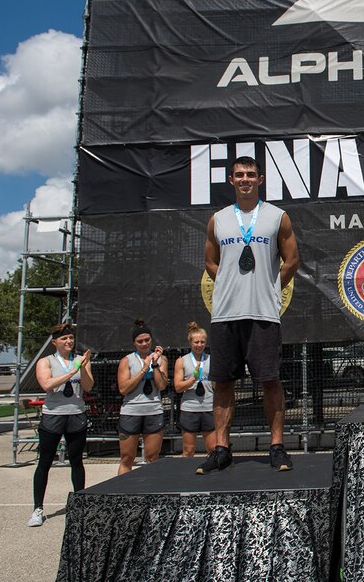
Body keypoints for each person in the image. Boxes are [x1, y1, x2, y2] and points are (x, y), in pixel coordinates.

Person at [199, 155, 300, 474]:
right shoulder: (218, 219)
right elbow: (210, 262)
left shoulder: (277, 217)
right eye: (239, 175)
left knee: (270, 380)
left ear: (260, 180)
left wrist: (270, 288)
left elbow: (292, 260)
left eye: (250, 174)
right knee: (223, 382)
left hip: (263, 313)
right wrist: (231, 283)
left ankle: (277, 446)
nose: (245, 179)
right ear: (231, 180)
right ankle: (221, 449)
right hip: (225, 313)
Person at [28, 324, 94, 527]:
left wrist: (81, 367)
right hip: (53, 416)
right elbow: (47, 385)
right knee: (45, 462)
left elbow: (88, 386)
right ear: (55, 341)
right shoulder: (45, 362)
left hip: (76, 415)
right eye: (64, 338)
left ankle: (80, 503)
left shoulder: (80, 360)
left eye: (71, 338)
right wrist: (71, 371)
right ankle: (38, 508)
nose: (69, 342)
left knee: (77, 461)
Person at [117, 320, 167, 474]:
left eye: (147, 340)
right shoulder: (127, 361)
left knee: (152, 458)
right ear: (134, 343)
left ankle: (151, 493)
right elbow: (124, 388)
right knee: (127, 458)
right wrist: (143, 370)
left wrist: (155, 364)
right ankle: (122, 494)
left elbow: (162, 385)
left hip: (153, 411)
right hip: (131, 412)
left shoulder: (161, 359)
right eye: (140, 341)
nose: (144, 344)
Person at [173, 321, 217, 457]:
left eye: (202, 342)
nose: (199, 345)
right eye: (196, 342)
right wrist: (193, 379)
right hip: (189, 409)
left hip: (208, 407)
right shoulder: (182, 361)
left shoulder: (212, 359)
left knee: (213, 449)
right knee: (189, 450)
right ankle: (185, 477)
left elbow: (216, 385)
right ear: (190, 342)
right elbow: (178, 387)